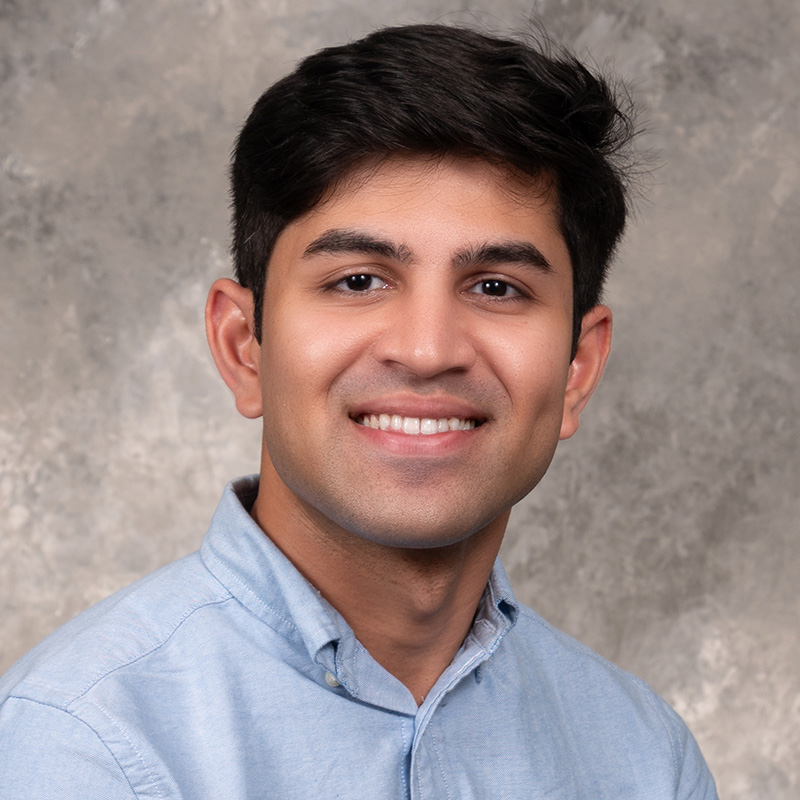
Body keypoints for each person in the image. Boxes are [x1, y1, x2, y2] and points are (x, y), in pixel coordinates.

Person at [0, 23, 718, 799]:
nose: (426, 349)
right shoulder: (86, 741)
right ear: (245, 347)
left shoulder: (645, 760)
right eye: (358, 281)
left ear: (578, 368)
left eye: (496, 287)